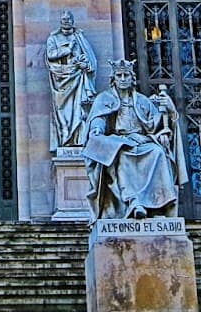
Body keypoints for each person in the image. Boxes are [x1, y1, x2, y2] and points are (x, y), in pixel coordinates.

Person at [82, 60, 187, 220]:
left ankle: (157, 206)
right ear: (114, 79)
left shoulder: (143, 101)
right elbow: (98, 121)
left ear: (132, 78)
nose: (123, 78)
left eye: (126, 75)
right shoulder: (104, 99)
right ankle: (134, 201)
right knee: (121, 156)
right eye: (119, 75)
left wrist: (170, 115)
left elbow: (157, 125)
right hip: (120, 143)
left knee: (158, 152)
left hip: (143, 143)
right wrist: (97, 129)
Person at [45, 12, 98, 151]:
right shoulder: (54, 38)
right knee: (63, 112)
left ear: (73, 20)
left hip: (78, 76)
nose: (66, 21)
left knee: (80, 109)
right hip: (61, 78)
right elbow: (51, 55)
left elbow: (90, 58)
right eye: (64, 19)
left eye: (69, 19)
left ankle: (79, 139)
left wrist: (85, 65)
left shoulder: (79, 37)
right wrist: (67, 49)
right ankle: (66, 138)